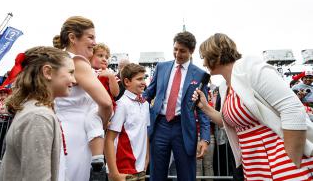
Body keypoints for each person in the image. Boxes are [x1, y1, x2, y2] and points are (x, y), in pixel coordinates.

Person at [193, 33, 313, 180]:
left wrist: (292, 158)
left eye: (203, 56)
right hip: (254, 166)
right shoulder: (225, 85)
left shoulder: (251, 69)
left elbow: (292, 109)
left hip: (281, 163)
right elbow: (227, 122)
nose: (203, 62)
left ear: (214, 55)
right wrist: (205, 107)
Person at [0, 46, 76, 181]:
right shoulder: (39, 117)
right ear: (48, 72)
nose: (74, 80)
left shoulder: (33, 109)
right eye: (70, 72)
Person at [143, 31, 211, 181]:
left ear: (191, 51)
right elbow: (148, 94)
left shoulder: (200, 75)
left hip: (184, 129)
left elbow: (203, 109)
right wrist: (134, 103)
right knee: (156, 175)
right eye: (175, 49)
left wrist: (205, 138)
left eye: (182, 51)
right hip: (160, 126)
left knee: (187, 175)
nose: (177, 54)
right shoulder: (161, 67)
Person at [53, 16, 113, 181]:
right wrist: (102, 122)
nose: (94, 42)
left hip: (61, 129)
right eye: (90, 37)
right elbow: (106, 103)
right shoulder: (77, 63)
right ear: (73, 38)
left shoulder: (58, 60)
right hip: (78, 133)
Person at [105, 63, 149, 181]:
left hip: (140, 169)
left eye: (144, 78)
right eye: (139, 79)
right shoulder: (122, 105)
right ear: (127, 82)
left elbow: (145, 133)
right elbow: (109, 139)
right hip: (122, 169)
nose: (144, 82)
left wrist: (146, 159)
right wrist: (114, 173)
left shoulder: (145, 104)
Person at [88, 43, 119, 171]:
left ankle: (98, 155)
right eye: (100, 55)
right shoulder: (87, 71)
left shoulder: (108, 73)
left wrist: (111, 77)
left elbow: (115, 93)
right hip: (90, 106)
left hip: (104, 107)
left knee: (94, 119)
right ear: (91, 56)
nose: (104, 59)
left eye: (107, 56)